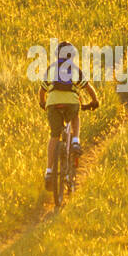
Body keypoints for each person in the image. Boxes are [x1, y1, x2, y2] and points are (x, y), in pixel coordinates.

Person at [37, 41, 99, 190]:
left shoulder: (51, 69)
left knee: (54, 135)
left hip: (52, 104)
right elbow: (88, 88)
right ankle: (76, 141)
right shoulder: (74, 69)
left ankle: (49, 171)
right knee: (75, 117)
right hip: (71, 102)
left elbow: (41, 91)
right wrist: (95, 101)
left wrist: (42, 103)